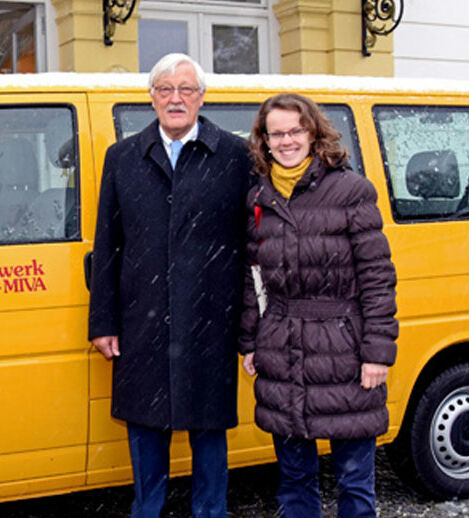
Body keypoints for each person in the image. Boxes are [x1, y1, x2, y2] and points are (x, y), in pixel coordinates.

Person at [88, 53, 253, 518]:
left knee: (209, 437)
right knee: (144, 433)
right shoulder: (122, 158)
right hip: (143, 322)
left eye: (186, 89)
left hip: (210, 323)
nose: (175, 98)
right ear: (152, 98)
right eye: (165, 89)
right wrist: (103, 321)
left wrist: (248, 323)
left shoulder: (235, 157)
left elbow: (252, 244)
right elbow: (108, 245)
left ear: (202, 97)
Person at [238, 93, 398, 518]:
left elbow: (377, 278)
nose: (287, 140)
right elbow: (252, 278)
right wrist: (250, 340)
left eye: (295, 130)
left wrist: (377, 353)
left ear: (313, 133)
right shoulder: (259, 197)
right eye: (277, 134)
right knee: (294, 483)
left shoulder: (351, 191)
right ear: (264, 141)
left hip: (344, 348)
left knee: (354, 483)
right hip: (282, 347)